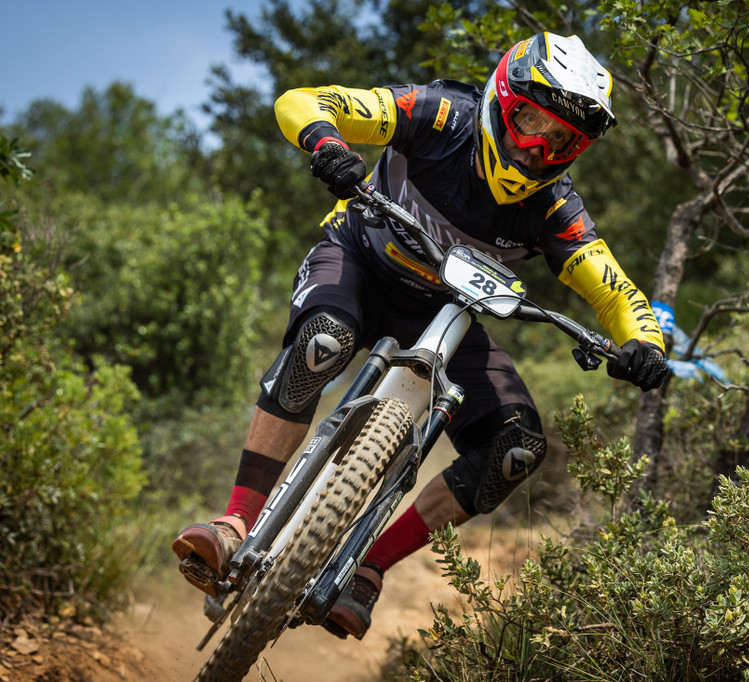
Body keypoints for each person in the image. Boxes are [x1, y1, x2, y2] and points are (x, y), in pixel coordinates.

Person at [172, 32, 668, 641]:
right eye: (530, 123)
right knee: (323, 341)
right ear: (500, 101)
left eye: (562, 140)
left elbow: (616, 293)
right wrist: (326, 143)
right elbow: (302, 101)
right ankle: (235, 523)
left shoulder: (555, 210)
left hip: (445, 311)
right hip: (358, 259)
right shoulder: (438, 116)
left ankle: (368, 566)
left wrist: (645, 346)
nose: (537, 148)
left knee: (515, 449)